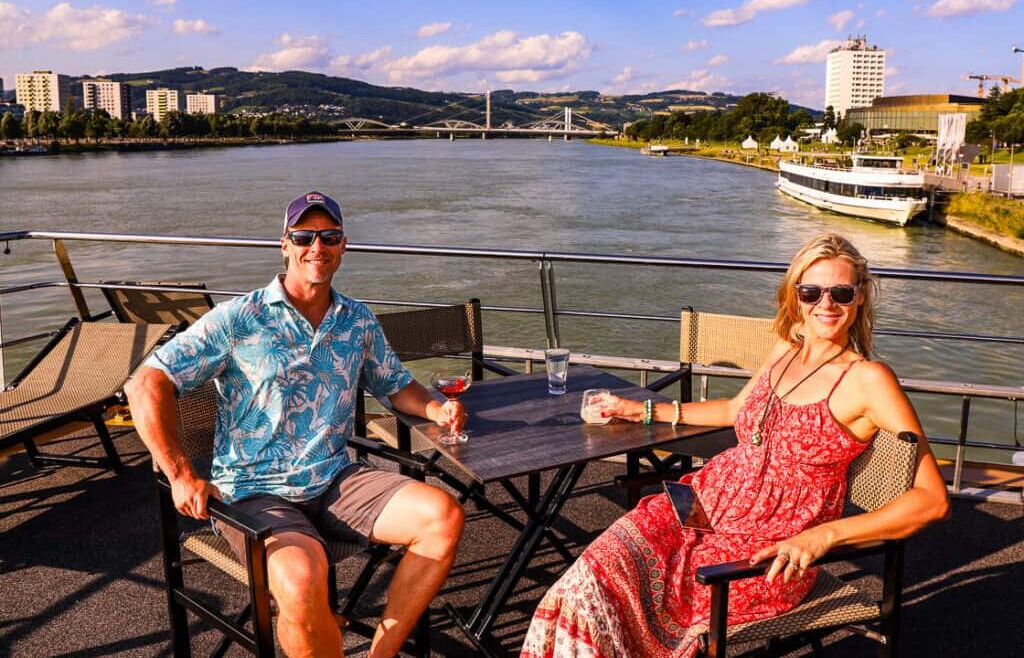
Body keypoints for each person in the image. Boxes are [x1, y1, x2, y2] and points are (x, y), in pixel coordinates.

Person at [521, 232, 950, 658]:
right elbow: (736, 410)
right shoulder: (789, 346)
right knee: (586, 581)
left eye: (840, 292)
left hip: (767, 544)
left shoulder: (869, 380)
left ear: (860, 298)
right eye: (811, 291)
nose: (826, 304)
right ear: (794, 295)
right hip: (700, 501)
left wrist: (824, 536)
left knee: (649, 612)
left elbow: (932, 500)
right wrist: (642, 411)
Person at [126, 191, 466, 658]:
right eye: (304, 236)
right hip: (254, 492)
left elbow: (396, 384)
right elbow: (146, 383)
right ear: (284, 244)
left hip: (334, 478)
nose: (317, 247)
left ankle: (380, 654)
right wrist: (180, 473)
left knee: (442, 517)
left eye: (329, 237)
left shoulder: (356, 320)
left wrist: (434, 409)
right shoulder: (239, 318)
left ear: (344, 246)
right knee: (304, 581)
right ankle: (312, 620)